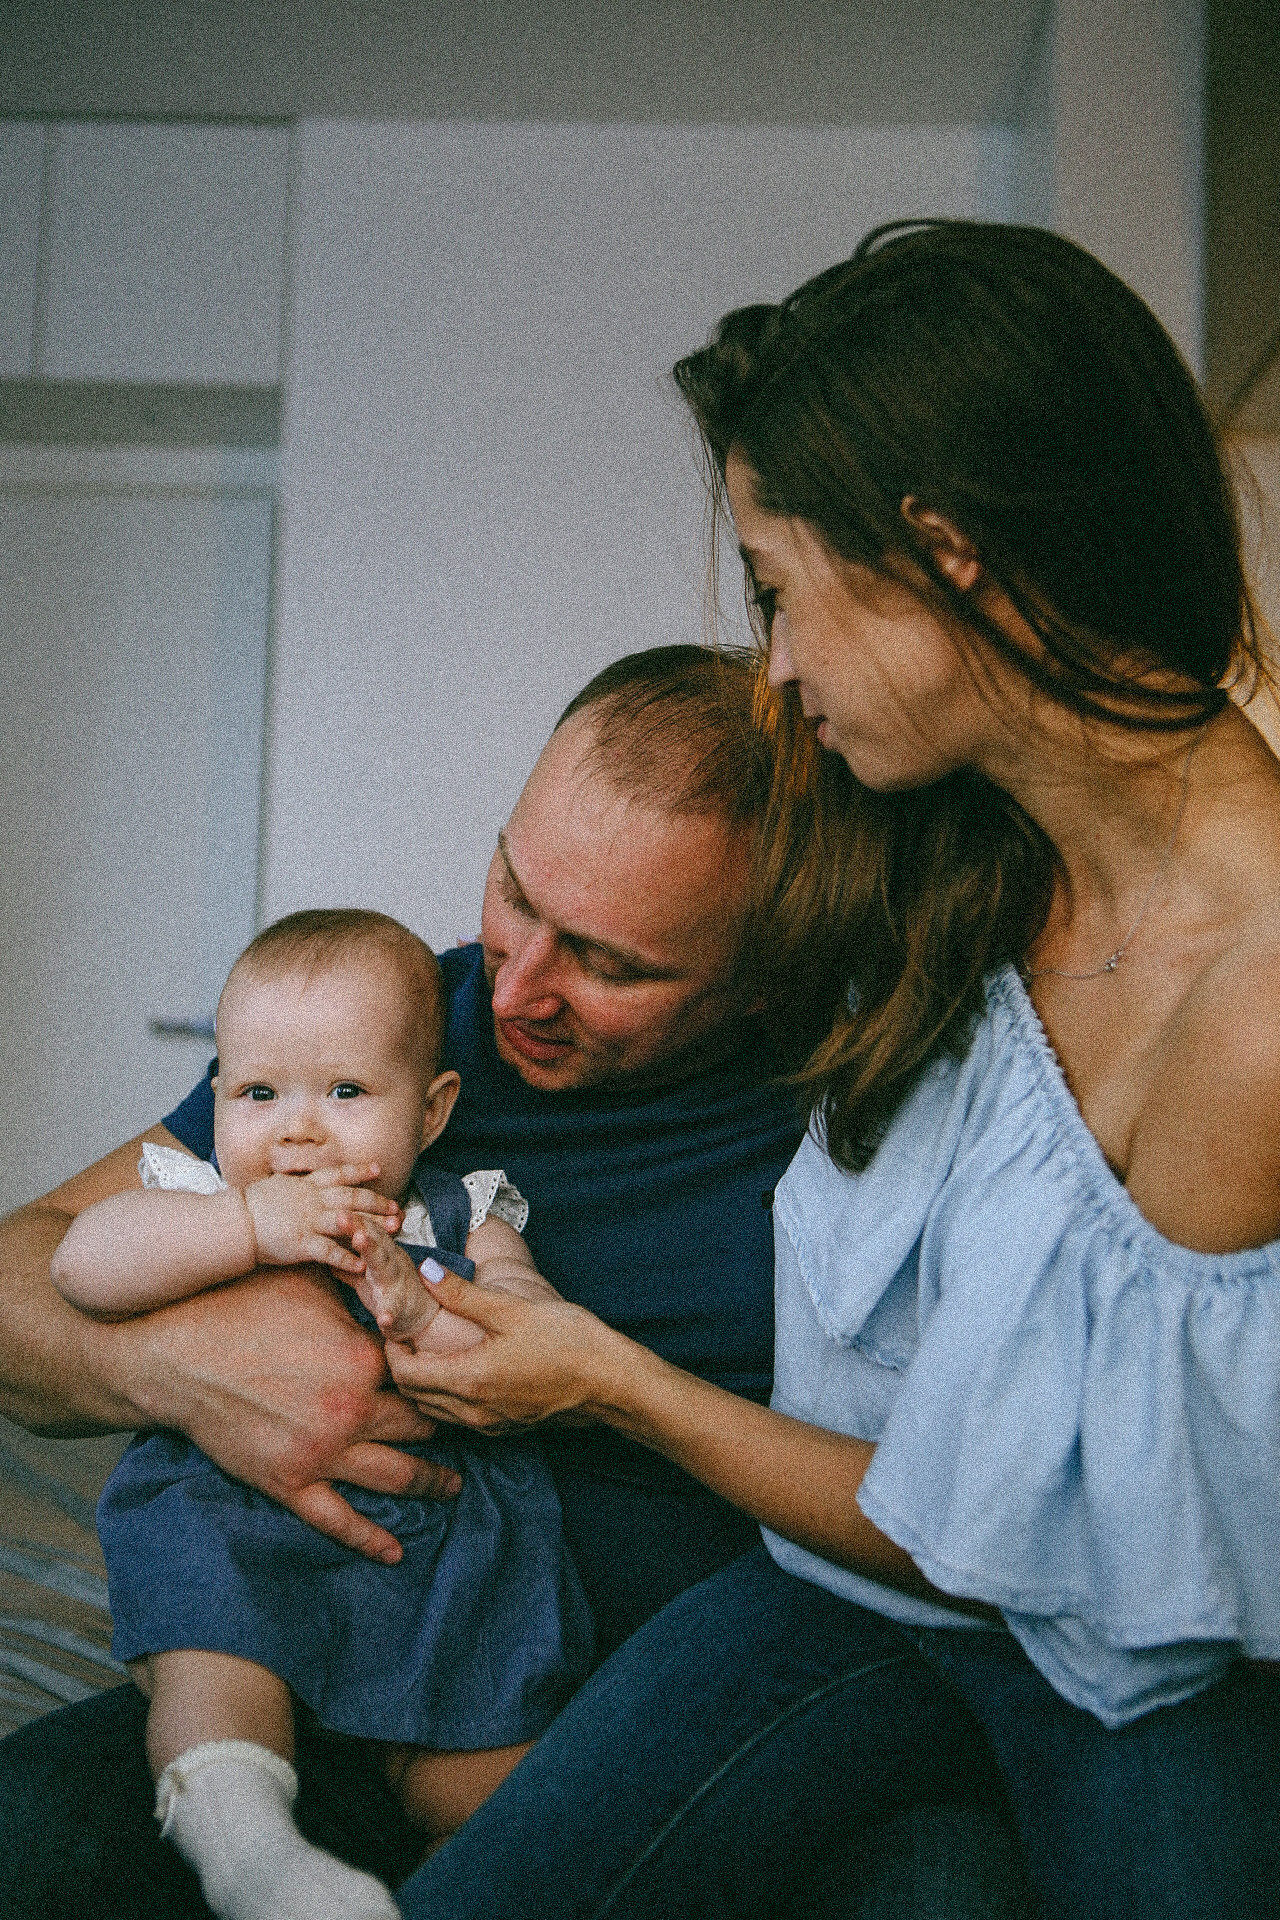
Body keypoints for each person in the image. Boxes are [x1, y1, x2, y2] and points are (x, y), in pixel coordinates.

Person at [338, 222, 1280, 1920]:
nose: (771, 657)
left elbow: (1000, 1543)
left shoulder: (1254, 1010)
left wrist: (606, 1380)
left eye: (777, 588)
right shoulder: (946, 854)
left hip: (1142, 1675)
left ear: (946, 561)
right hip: (840, 1596)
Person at [10, 647, 1014, 1920]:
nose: (516, 988)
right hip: (312, 1645)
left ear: (773, 970)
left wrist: (606, 1384)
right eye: (513, 891)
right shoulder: (379, 1039)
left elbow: (981, 1521)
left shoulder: (872, 1117)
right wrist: (178, 1370)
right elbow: (25, 1269)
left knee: (940, 1883)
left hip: (622, 1712)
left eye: (611, 965)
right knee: (30, 1838)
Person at [48, 906, 593, 1920]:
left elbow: (529, 1336)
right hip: (233, 1522)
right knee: (216, 1681)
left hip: (439, 1562)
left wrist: (426, 1310)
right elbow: (82, 1266)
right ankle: (247, 1849)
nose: (296, 1129)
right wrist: (243, 1228)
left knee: (502, 1786)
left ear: (430, 1112)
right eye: (258, 1093)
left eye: (345, 1092)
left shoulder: (461, 1211)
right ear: (217, 1096)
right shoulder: (198, 1196)